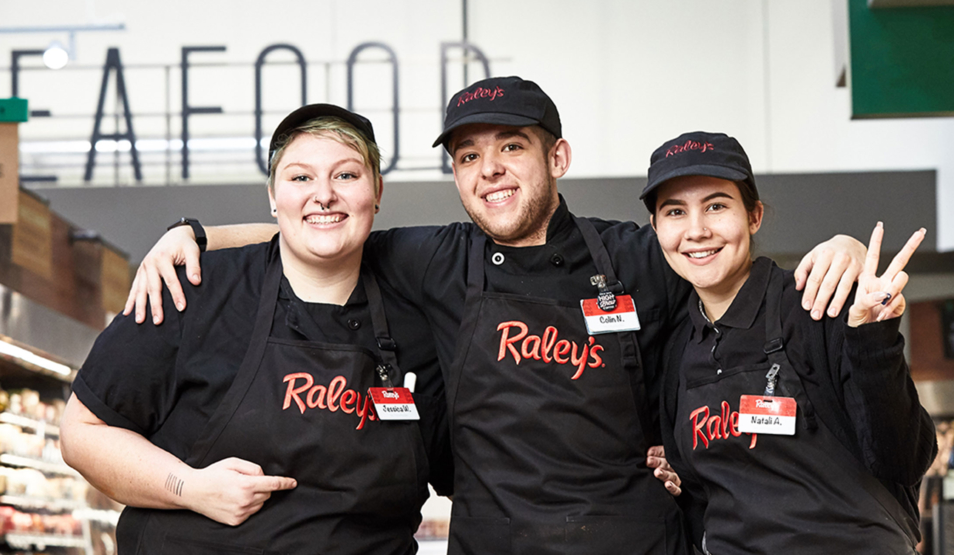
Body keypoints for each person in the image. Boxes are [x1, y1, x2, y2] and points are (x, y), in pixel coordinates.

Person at [124, 77, 868, 554]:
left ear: (558, 157)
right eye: (468, 156)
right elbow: (323, 223)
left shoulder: (638, 257)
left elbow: (725, 262)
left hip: (631, 541)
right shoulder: (436, 259)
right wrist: (192, 234)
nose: (489, 171)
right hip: (493, 540)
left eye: (511, 146)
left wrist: (836, 248)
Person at [60, 105, 446, 554]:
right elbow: (82, 432)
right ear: (273, 195)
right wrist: (190, 487)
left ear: (376, 191)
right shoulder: (194, 291)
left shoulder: (417, 323)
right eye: (300, 178)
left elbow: (461, 471)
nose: (323, 195)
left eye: (346, 176)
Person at [645, 132, 936, 554]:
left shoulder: (818, 302)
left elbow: (905, 460)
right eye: (675, 211)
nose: (696, 230)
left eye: (716, 206)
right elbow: (700, 503)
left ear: (754, 216)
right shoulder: (677, 350)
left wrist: (874, 341)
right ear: (656, 229)